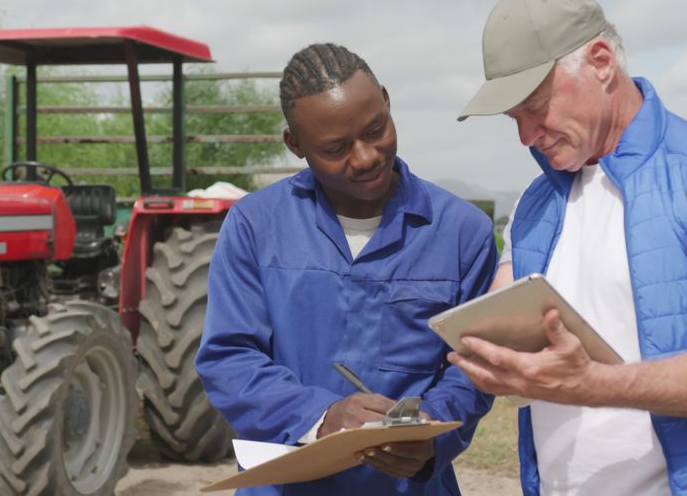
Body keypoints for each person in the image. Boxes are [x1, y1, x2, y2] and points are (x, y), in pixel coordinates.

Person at [451, 0, 687, 495]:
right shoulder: (534, 203)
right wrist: (493, 359)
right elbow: (503, 331)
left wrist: (592, 385)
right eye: (513, 119)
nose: (526, 136)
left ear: (600, 62)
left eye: (535, 106)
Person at [195, 43, 497, 496]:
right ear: (295, 145)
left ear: (388, 102)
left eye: (376, 130)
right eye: (336, 148)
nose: (365, 157)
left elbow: (474, 364)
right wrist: (320, 418)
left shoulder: (461, 232)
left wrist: (431, 431)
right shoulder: (255, 225)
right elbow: (229, 358)